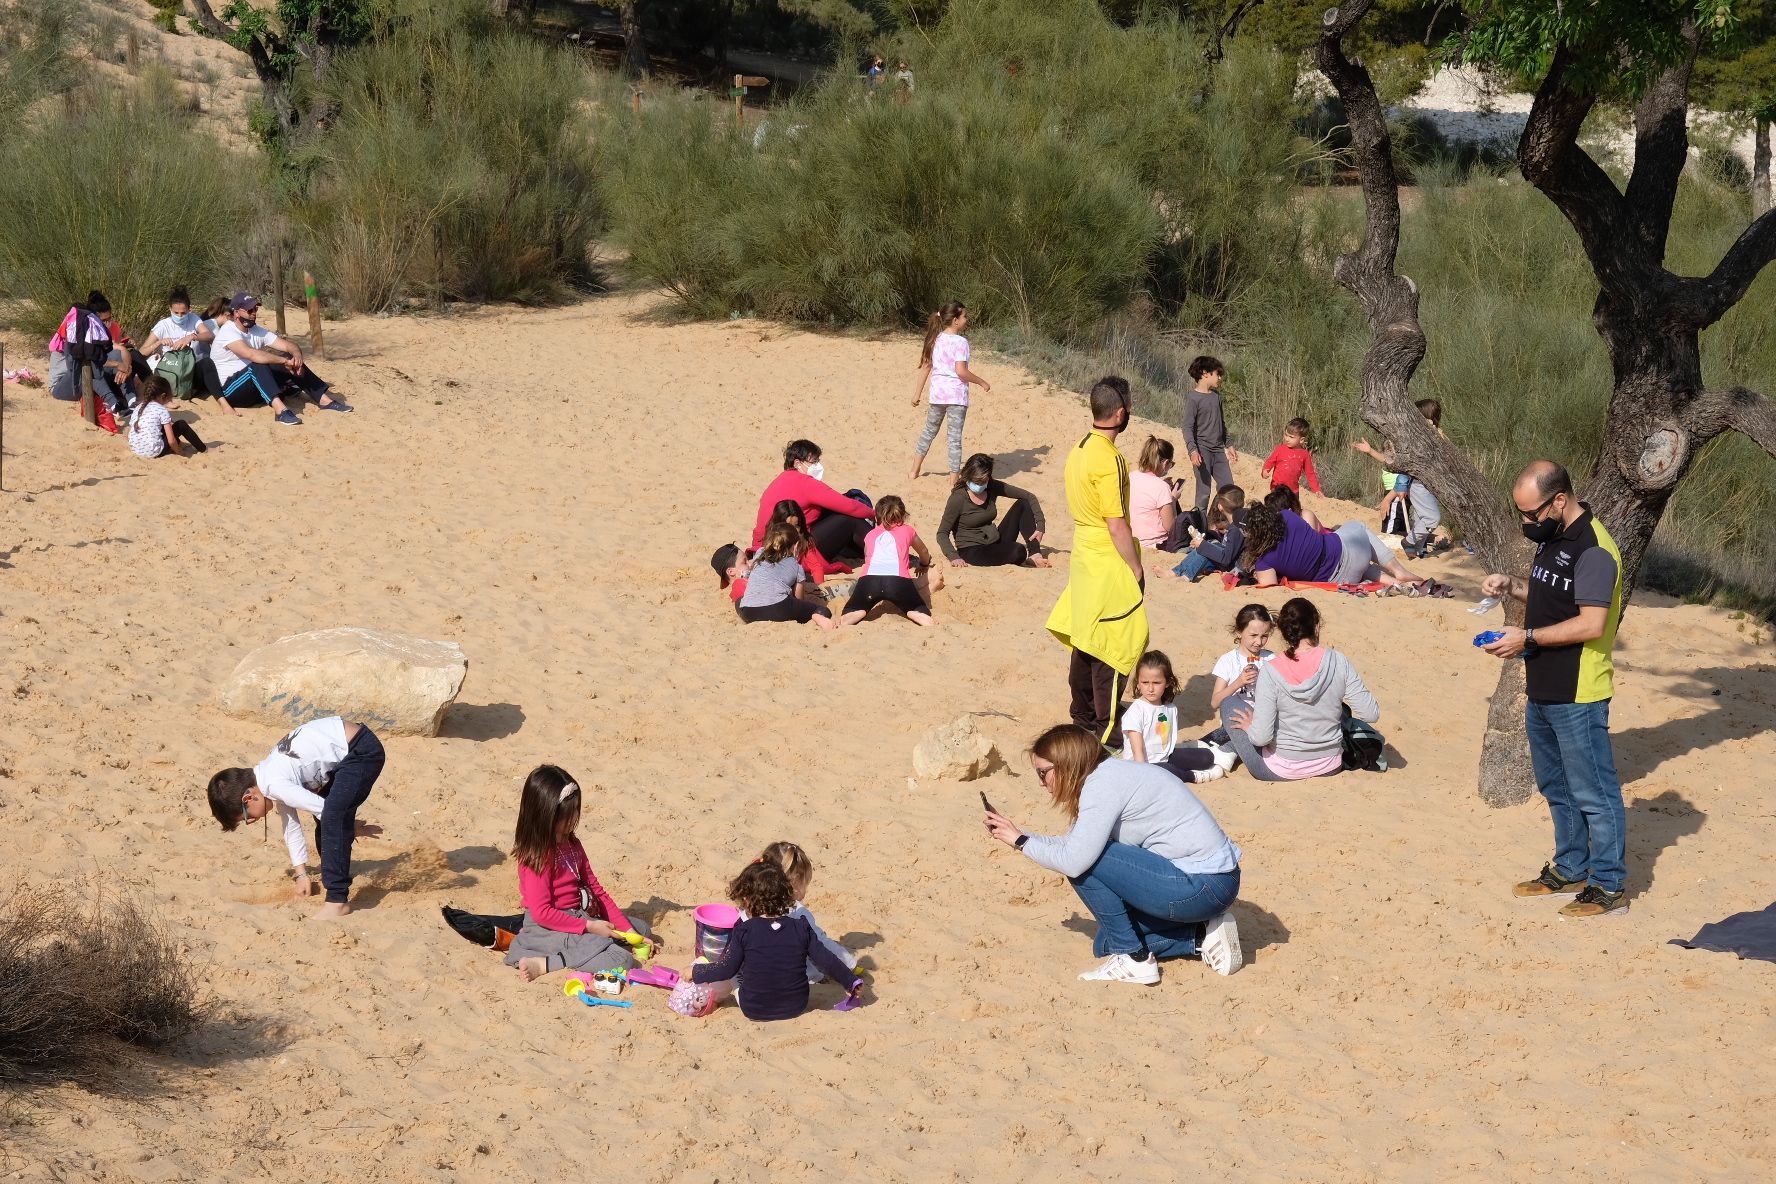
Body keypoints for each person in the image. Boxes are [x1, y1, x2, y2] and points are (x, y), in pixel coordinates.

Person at [983, 724, 1243, 983]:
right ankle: (1199, 936)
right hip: (1208, 884)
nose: (1042, 783)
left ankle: (1134, 959)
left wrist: (1020, 842)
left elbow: (1075, 861)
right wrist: (1020, 836)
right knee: (1106, 941)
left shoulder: (1103, 785)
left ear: (1066, 765)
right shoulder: (1107, 776)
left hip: (1203, 886)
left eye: (1043, 773)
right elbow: (1073, 846)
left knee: (1088, 866)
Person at [1481, 460, 1627, 918]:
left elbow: (1591, 622)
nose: (1526, 523)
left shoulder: (1594, 549)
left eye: (1531, 514)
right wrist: (1512, 586)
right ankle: (1569, 868)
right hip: (1544, 686)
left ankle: (1607, 885)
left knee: (1594, 793)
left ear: (1559, 500)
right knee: (1556, 785)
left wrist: (1525, 638)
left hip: (1579, 691)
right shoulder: (1555, 540)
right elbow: (1552, 595)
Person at [1046, 377, 1149, 747]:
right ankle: (1103, 725)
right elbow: (1116, 522)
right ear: (1120, 413)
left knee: (1087, 636)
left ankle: (1083, 714)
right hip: (1107, 553)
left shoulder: (1080, 447)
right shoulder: (1110, 459)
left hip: (1084, 551)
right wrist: (1136, 567)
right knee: (1116, 639)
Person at [204, 716, 386, 918]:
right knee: (327, 819)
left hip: (361, 752)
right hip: (348, 753)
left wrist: (349, 824)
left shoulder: (274, 785)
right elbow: (291, 827)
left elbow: (327, 811)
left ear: (249, 798)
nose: (252, 821)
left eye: (247, 817)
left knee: (331, 819)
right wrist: (301, 875)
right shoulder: (267, 776)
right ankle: (334, 875)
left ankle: (337, 901)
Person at [503, 765, 656, 981]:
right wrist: (589, 927)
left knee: (641, 929)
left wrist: (630, 934)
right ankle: (545, 963)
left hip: (577, 916)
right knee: (622, 959)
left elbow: (596, 890)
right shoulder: (537, 856)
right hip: (547, 927)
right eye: (568, 814)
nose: (574, 817)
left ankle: (592, 946)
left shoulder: (573, 845)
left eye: (575, 810)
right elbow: (542, 913)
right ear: (545, 814)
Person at [1224, 598, 1379, 782]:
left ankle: (1225, 750)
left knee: (1229, 702)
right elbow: (1371, 714)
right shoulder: (1339, 661)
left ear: (1284, 632)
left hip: (1281, 769)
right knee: (1342, 709)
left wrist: (1251, 727)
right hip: (1330, 764)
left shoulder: (1271, 670)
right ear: (1317, 625)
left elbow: (1261, 738)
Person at [688, 860, 860, 1021]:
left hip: (755, 1008)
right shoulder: (801, 927)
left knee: (732, 971)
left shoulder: (744, 930)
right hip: (796, 1006)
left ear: (748, 900)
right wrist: (851, 981)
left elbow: (726, 968)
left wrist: (696, 972)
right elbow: (826, 959)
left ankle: (712, 999)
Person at [212, 292, 351, 426]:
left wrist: (296, 358)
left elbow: (287, 345)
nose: (254, 313)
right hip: (232, 390)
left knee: (288, 357)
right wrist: (284, 362)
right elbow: (251, 354)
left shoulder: (256, 330)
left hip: (256, 385)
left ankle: (323, 400)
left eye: (255, 309)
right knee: (259, 363)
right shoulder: (228, 331)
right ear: (236, 312)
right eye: (249, 310)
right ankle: (280, 411)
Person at [1240, 502, 1424, 589]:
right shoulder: (1287, 517)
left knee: (1358, 566)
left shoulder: (1265, 560)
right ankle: (1397, 570)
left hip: (1340, 579)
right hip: (1350, 553)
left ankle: (1395, 582)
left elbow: (1269, 586)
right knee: (1356, 525)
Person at [1351, 399, 1449, 559]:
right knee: (1408, 523)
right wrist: (1392, 494)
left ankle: (1418, 549)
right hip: (1404, 485)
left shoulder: (1429, 437)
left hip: (1414, 485)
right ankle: (1400, 547)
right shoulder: (1412, 439)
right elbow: (1402, 466)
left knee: (1419, 519)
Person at [748, 841, 858, 984]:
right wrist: (850, 964)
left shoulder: (751, 903)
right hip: (790, 982)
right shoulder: (798, 914)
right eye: (805, 882)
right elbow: (821, 944)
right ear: (794, 882)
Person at [752, 439, 874, 564]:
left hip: (766, 546)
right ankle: (884, 547)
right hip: (793, 551)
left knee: (833, 510)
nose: (818, 466)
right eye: (813, 462)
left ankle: (861, 548)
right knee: (850, 519)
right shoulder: (805, 483)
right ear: (797, 463)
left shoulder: (780, 480)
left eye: (818, 461)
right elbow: (849, 506)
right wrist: (875, 514)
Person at [1121, 651, 1234, 784]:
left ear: (1167, 682)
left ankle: (1187, 755)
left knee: (1207, 757)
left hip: (1165, 757)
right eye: (1145, 682)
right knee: (1169, 771)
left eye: (1156, 683)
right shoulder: (1136, 711)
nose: (1150, 688)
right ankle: (1192, 777)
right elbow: (1137, 751)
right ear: (1138, 683)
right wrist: (1144, 774)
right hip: (1141, 765)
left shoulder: (1170, 708)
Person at [908, 302, 991, 481]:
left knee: (929, 431)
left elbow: (925, 367)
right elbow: (961, 371)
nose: (966, 320)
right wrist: (981, 381)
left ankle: (914, 471)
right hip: (956, 397)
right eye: (964, 317)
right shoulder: (961, 342)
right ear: (955, 320)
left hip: (937, 395)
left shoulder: (934, 339)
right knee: (954, 439)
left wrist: (917, 394)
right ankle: (954, 480)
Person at [839, 495, 937, 627]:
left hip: (869, 581)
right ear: (903, 515)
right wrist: (924, 564)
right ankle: (914, 612)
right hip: (898, 582)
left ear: (876, 517)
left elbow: (867, 556)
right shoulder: (908, 530)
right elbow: (924, 552)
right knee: (917, 606)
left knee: (851, 608)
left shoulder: (870, 534)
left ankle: (857, 612)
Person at [936, 453, 1049, 568]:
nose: (979, 485)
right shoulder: (958, 498)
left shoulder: (991, 486)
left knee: (1023, 504)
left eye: (983, 481)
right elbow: (942, 533)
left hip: (994, 539)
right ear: (968, 476)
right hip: (972, 550)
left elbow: (1029, 496)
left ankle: (1035, 554)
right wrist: (953, 556)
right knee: (1018, 551)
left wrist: (1040, 525)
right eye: (976, 481)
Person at [47, 291, 129, 425]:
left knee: (94, 365)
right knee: (87, 366)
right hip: (61, 387)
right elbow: (76, 366)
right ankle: (114, 402)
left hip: (80, 383)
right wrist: (115, 364)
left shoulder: (84, 339)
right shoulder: (69, 339)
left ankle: (124, 401)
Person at [737, 522, 837, 628]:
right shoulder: (796, 566)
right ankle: (817, 617)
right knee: (822, 610)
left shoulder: (759, 553)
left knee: (740, 600)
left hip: (748, 611)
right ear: (796, 545)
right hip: (779, 608)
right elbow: (799, 598)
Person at [1181, 356, 1239, 525]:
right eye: (1217, 374)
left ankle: (1225, 526)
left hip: (1218, 451)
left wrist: (1229, 445)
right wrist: (1193, 450)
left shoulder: (1216, 397)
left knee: (1228, 490)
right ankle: (1200, 528)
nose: (1220, 378)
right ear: (1205, 373)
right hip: (1202, 451)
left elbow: (1221, 424)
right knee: (1204, 492)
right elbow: (1187, 427)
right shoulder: (1193, 398)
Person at [137, 285, 213, 404]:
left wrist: (192, 336)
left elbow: (209, 335)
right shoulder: (163, 325)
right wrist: (159, 342)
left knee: (207, 363)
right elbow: (141, 353)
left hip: (191, 370)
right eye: (176, 312)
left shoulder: (194, 319)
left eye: (183, 313)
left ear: (189, 310)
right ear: (170, 309)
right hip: (172, 371)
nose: (179, 316)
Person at [1162, 488, 1245, 582]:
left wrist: (1203, 545)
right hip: (1231, 559)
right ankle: (1175, 572)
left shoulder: (1235, 529)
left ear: (1220, 506)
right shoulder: (1238, 523)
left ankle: (1185, 576)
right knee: (1208, 545)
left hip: (1233, 565)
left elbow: (1226, 559)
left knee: (1205, 552)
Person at [1208, 603, 1276, 716]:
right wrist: (1238, 682)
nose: (1259, 642)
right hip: (1235, 724)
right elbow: (1215, 703)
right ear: (1239, 632)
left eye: (1264, 636)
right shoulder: (1228, 661)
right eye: (1253, 635)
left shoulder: (1271, 659)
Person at [127, 375, 207, 460]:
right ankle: (204, 449)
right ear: (163, 396)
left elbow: (130, 432)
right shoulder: (161, 409)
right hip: (153, 451)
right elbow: (171, 441)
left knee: (158, 426)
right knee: (181, 425)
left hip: (135, 449)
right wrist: (180, 452)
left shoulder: (138, 408)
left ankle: (180, 443)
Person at [1128, 436, 1183, 551]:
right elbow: (1170, 527)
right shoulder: (1161, 488)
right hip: (1155, 543)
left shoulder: (1131, 476)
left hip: (1131, 539)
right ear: (1165, 463)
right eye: (1170, 464)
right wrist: (1172, 499)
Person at [1262, 416, 1322, 496]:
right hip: (1277, 488)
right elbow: (1270, 461)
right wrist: (1265, 470)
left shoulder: (1305, 454)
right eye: (1286, 435)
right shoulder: (1280, 449)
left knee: (1293, 509)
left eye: (1291, 437)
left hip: (1293, 491)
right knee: (1276, 508)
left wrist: (1316, 489)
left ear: (1301, 440)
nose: (1287, 439)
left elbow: (1310, 473)